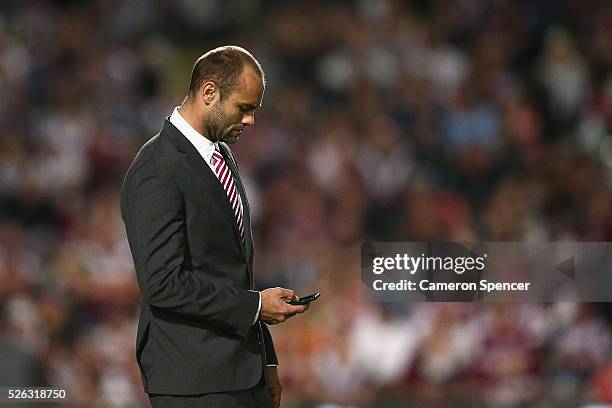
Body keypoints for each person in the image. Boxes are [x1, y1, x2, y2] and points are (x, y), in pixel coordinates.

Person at [120, 45, 310, 408]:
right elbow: (162, 283)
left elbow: (234, 274)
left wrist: (266, 359)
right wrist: (255, 307)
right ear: (209, 93)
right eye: (244, 108)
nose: (251, 120)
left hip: (242, 373)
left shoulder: (220, 156)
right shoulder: (156, 170)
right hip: (195, 381)